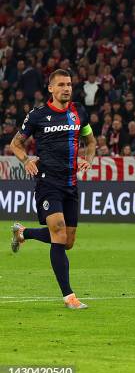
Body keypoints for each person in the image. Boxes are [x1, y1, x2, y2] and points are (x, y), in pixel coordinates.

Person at [10, 69, 97, 310]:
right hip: (47, 182)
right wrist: (26, 160)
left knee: (67, 241)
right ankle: (69, 297)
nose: (66, 88)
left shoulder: (79, 112)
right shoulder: (38, 115)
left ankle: (23, 233)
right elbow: (16, 143)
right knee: (58, 233)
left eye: (69, 84)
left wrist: (88, 158)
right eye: (61, 84)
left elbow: (91, 142)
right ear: (51, 88)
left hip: (71, 184)